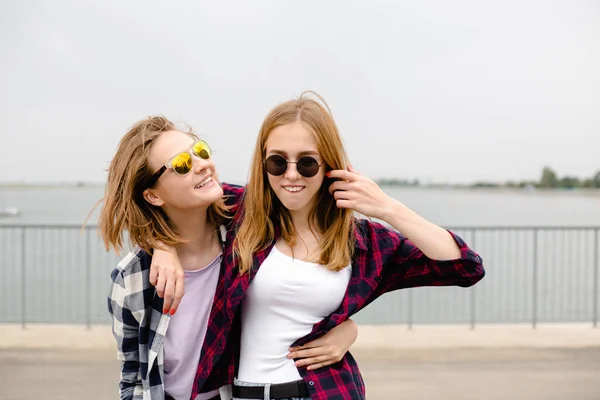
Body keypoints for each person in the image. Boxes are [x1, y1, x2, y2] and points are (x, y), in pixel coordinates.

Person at [151, 91, 485, 400]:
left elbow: (464, 266)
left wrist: (387, 207)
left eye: (307, 162)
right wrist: (162, 245)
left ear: (327, 164)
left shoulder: (360, 242)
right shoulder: (243, 213)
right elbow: (156, 204)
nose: (291, 175)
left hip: (325, 391)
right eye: (277, 162)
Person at [99, 116, 359, 400]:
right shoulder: (133, 279)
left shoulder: (247, 231)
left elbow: (297, 296)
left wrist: (348, 327)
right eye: (182, 165)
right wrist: (160, 244)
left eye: (200, 151)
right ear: (153, 196)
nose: (202, 165)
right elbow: (133, 379)